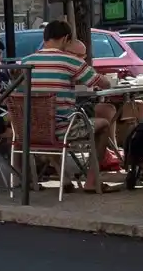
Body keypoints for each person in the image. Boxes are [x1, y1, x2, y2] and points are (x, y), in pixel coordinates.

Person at [19, 19, 112, 177]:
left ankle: (66, 179)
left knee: (48, 119)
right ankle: (92, 180)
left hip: (31, 129)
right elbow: (104, 83)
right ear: (65, 39)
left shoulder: (26, 62)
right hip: (63, 130)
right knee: (103, 125)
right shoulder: (69, 60)